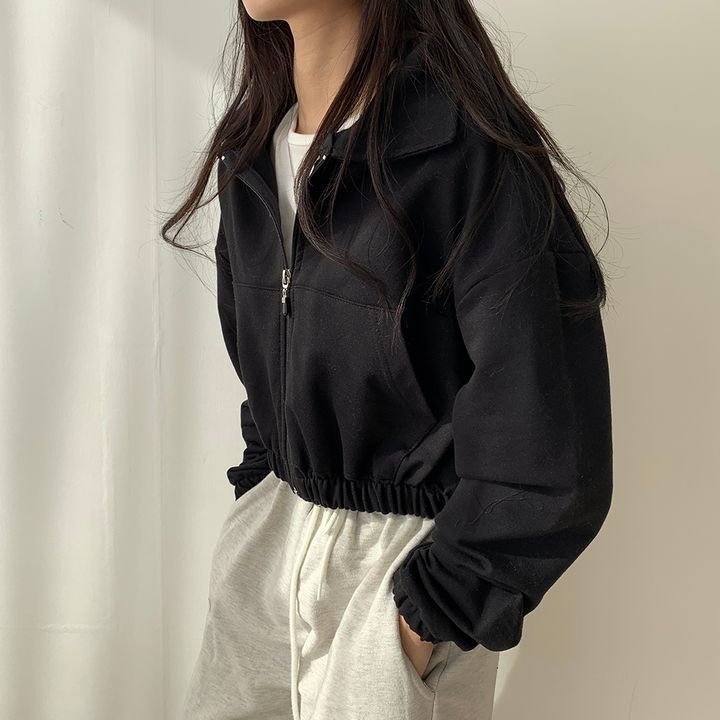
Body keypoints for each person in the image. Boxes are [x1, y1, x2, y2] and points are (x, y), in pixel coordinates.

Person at [165, 2, 614, 718]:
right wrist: (261, 493)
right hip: (263, 570)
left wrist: (423, 619)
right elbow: (270, 379)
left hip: (399, 583)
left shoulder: (466, 155)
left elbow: (546, 437)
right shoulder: (252, 154)